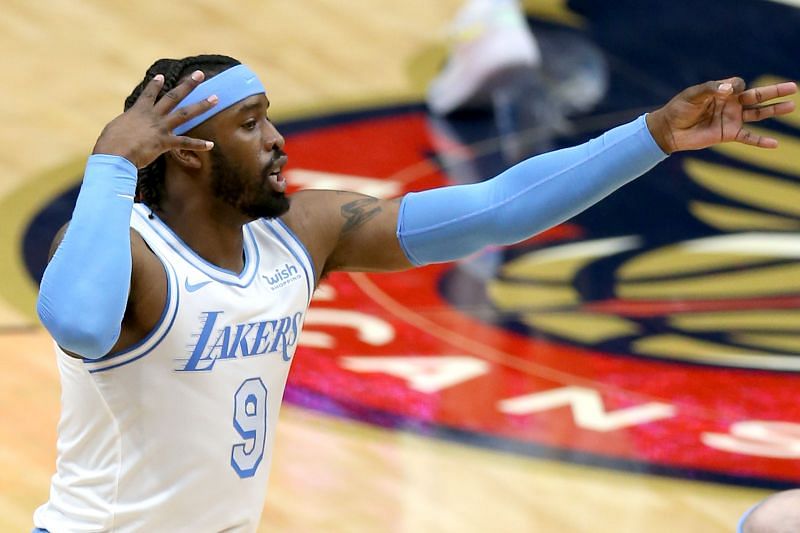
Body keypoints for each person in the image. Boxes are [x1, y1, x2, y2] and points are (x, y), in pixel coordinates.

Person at [33, 53, 796, 531]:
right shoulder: (123, 250)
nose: (278, 141)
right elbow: (78, 322)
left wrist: (654, 134)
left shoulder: (305, 230)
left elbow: (500, 208)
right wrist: (111, 163)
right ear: (191, 152)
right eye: (251, 124)